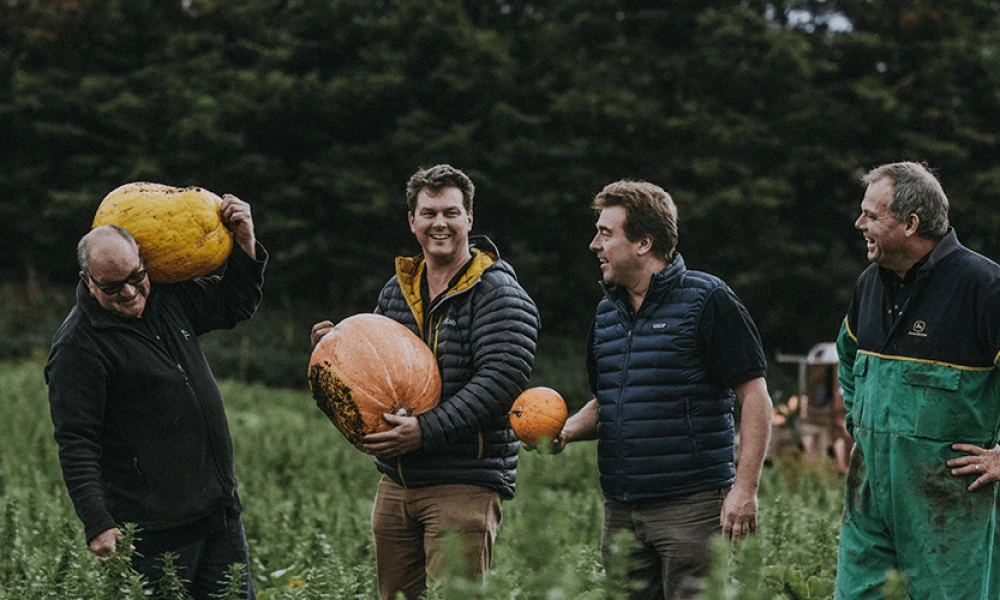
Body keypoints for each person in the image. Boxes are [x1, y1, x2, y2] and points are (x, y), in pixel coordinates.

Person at [310, 164, 539, 600]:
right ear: (412, 220)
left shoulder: (498, 294)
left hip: (463, 482)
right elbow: (372, 365)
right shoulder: (397, 289)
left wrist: (425, 430)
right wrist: (331, 350)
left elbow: (501, 381)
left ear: (469, 218)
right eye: (429, 213)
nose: (440, 223)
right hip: (397, 482)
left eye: (451, 213)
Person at [553, 180, 773, 600]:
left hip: (691, 510)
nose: (594, 245)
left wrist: (745, 489)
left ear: (643, 243)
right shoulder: (606, 314)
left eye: (605, 233)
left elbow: (755, 396)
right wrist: (565, 430)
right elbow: (609, 402)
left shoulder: (708, 300)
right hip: (622, 511)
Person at [45, 195, 266, 599]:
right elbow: (77, 441)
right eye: (112, 286)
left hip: (219, 513)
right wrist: (97, 522)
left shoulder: (166, 297)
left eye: (136, 276)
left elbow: (234, 303)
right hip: (154, 533)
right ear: (88, 281)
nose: (130, 292)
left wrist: (246, 242)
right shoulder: (78, 346)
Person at [835, 161, 1000, 599]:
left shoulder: (984, 287)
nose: (860, 225)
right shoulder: (870, 284)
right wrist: (858, 420)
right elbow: (847, 356)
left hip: (950, 504)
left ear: (910, 224)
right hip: (870, 496)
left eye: (871, 216)